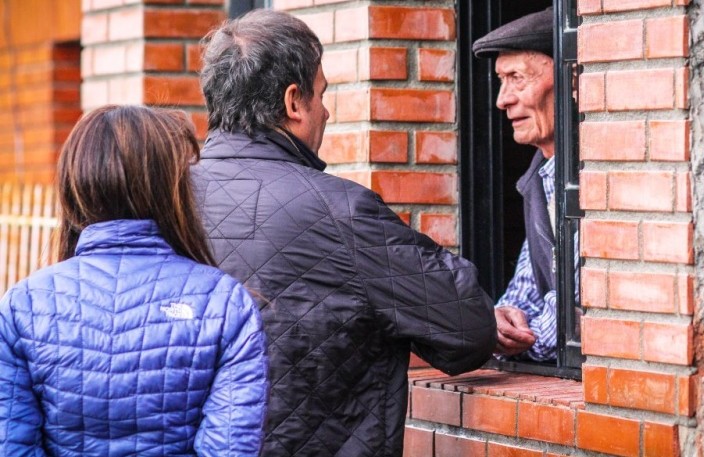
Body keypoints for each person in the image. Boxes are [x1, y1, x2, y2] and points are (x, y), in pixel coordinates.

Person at [194, 9, 496, 457]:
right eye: (322, 94)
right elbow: (468, 329)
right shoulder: (340, 212)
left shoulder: (159, 200)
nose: (328, 111)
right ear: (294, 102)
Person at [0, 105, 269, 456]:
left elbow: (12, 446)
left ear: (74, 183)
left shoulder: (23, 307)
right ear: (170, 189)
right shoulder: (224, 303)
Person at [472, 7, 572, 362]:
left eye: (517, 78)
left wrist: (518, 339)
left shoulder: (598, 177)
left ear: (570, 79)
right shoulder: (542, 177)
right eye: (502, 81)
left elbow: (577, 313)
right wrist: (502, 321)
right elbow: (526, 289)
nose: (503, 99)